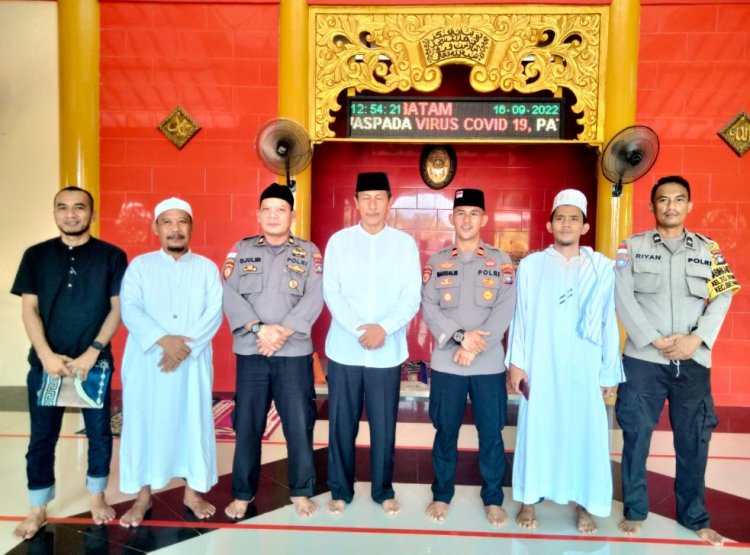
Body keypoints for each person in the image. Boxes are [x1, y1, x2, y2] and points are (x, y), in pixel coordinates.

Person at [615, 175, 739, 547]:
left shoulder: (709, 250)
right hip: (643, 359)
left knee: (694, 440)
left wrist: (696, 339)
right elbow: (621, 295)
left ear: (689, 206)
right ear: (652, 206)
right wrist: (653, 339)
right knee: (636, 436)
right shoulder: (631, 248)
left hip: (693, 360)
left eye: (678, 199)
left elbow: (724, 295)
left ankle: (695, 516)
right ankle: (635, 512)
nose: (670, 206)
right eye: (663, 200)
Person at [10, 186, 127, 538]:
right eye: (63, 208)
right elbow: (29, 308)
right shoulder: (36, 256)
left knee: (99, 434)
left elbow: (118, 308)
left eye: (79, 207)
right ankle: (38, 507)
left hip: (94, 365)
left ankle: (96, 497)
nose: (71, 214)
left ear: (92, 212)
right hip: (47, 365)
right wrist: (45, 355)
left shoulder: (112, 256)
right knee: (42, 438)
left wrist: (93, 351)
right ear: (55, 212)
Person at [506, 189, 623, 534]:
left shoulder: (601, 268)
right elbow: (521, 317)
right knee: (536, 429)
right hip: (542, 365)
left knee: (584, 433)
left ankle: (584, 504)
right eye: (560, 217)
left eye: (574, 218)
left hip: (585, 367)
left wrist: (607, 369)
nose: (567, 223)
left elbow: (609, 320)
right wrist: (517, 363)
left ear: (585, 226)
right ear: (549, 224)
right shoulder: (532, 265)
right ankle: (529, 498)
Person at [118, 197, 223, 527]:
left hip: (191, 363)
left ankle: (192, 492)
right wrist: (167, 342)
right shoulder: (140, 266)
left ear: (191, 227)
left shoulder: (206, 267)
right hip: (150, 362)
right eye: (168, 222)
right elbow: (130, 309)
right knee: (143, 424)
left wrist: (184, 348)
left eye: (182, 222)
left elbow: (214, 312)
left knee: (193, 423)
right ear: (156, 228)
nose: (175, 229)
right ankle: (143, 495)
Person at [222, 183, 324, 519]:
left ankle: (301, 490)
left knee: (298, 423)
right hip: (252, 351)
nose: (274, 215)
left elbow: (316, 295)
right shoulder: (241, 249)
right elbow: (228, 293)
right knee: (248, 424)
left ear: (292, 215)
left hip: (293, 352)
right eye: (267, 209)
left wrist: (282, 331)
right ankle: (242, 492)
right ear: (259, 214)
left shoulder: (309, 253)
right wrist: (259, 329)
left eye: (281, 209)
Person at [323, 172, 421, 516]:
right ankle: (340, 489)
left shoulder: (404, 244)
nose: (373, 205)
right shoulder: (339, 241)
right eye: (366, 198)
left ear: (390, 201)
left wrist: (386, 328)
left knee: (384, 426)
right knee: (341, 424)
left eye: (380, 197)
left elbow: (412, 294)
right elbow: (331, 291)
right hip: (345, 349)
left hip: (387, 350)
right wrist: (358, 328)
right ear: (356, 202)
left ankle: (382, 490)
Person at [421, 188, 516, 527]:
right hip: (448, 365)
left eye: (474, 213)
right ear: (452, 218)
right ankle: (441, 494)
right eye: (460, 213)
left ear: (484, 219)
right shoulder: (437, 262)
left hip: (488, 364)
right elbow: (429, 308)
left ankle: (492, 498)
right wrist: (461, 339)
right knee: (445, 431)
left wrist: (474, 346)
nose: (466, 219)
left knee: (491, 433)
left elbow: (506, 310)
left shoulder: (501, 261)